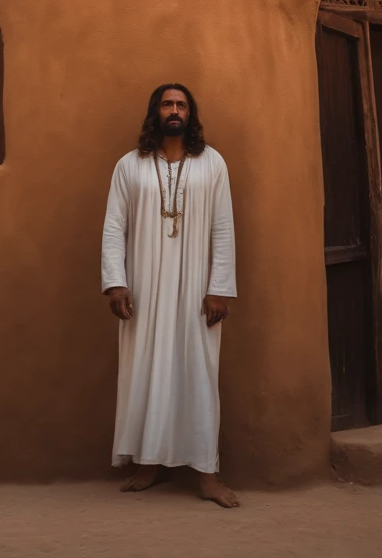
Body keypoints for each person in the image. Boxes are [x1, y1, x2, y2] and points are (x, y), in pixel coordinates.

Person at [101, 83, 239, 507]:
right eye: (166, 104)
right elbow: (113, 228)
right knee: (144, 370)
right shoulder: (130, 166)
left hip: (196, 287)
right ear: (155, 112)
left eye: (180, 104)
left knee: (199, 372)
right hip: (144, 287)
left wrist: (219, 287)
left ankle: (207, 474)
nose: (173, 110)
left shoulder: (212, 163)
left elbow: (222, 227)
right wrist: (116, 281)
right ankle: (148, 463)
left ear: (190, 113)